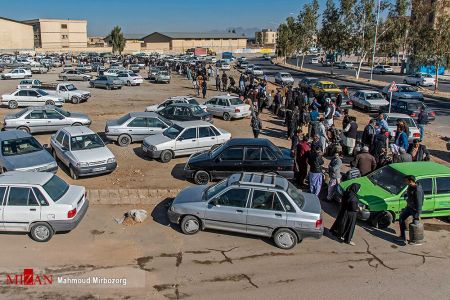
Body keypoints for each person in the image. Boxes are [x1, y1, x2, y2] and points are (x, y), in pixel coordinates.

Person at [398, 175, 424, 245]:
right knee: (401, 218)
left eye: (406, 180)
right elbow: (409, 194)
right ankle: (402, 237)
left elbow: (419, 203)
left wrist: (418, 214)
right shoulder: (410, 186)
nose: (404, 181)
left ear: (410, 181)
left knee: (415, 226)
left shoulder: (417, 190)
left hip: (415, 210)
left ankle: (416, 241)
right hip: (409, 207)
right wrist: (406, 197)